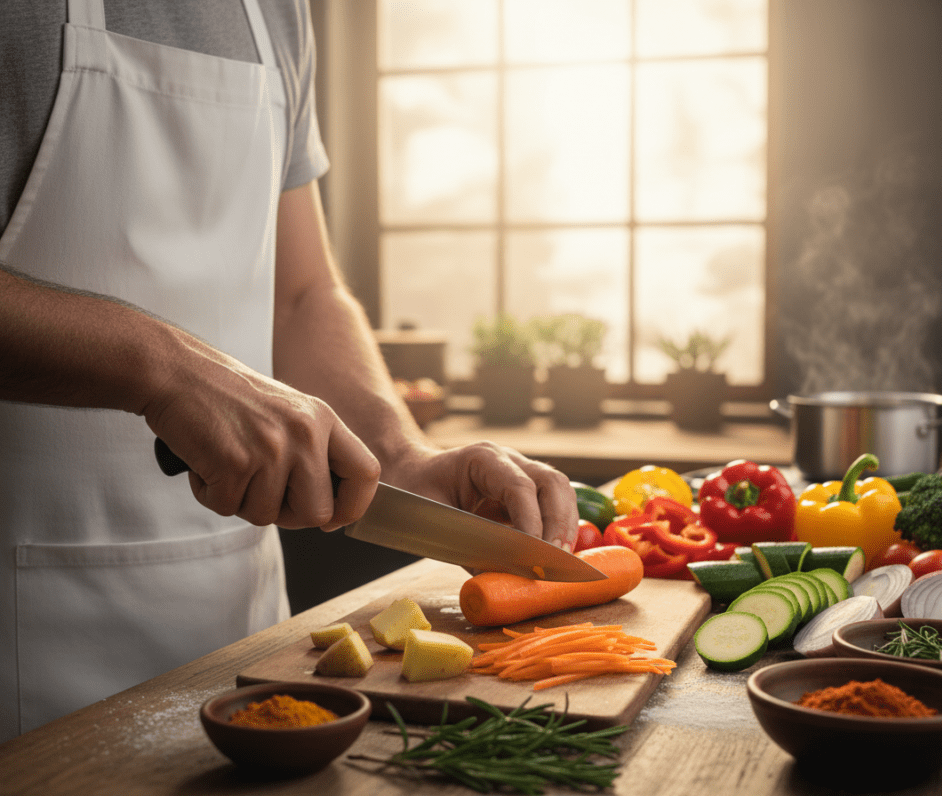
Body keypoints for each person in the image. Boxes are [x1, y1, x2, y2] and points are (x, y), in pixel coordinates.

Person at [0, 0, 579, 743]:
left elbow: (302, 293)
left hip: (239, 631)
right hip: (27, 661)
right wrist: (164, 368)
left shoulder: (276, 11)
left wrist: (399, 456)